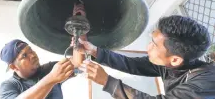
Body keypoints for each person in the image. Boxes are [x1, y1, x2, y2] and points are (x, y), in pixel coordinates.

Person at [78, 15, 215, 99]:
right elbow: (131, 64)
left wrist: (107, 81)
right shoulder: (171, 65)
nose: (148, 47)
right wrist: (95, 51)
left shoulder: (206, 83)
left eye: (154, 45)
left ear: (175, 59)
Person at [0, 39, 74, 99]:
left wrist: (79, 42)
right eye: (24, 55)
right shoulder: (8, 86)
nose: (32, 55)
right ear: (13, 67)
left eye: (30, 50)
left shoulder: (50, 69)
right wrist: (51, 78)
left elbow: (77, 63)